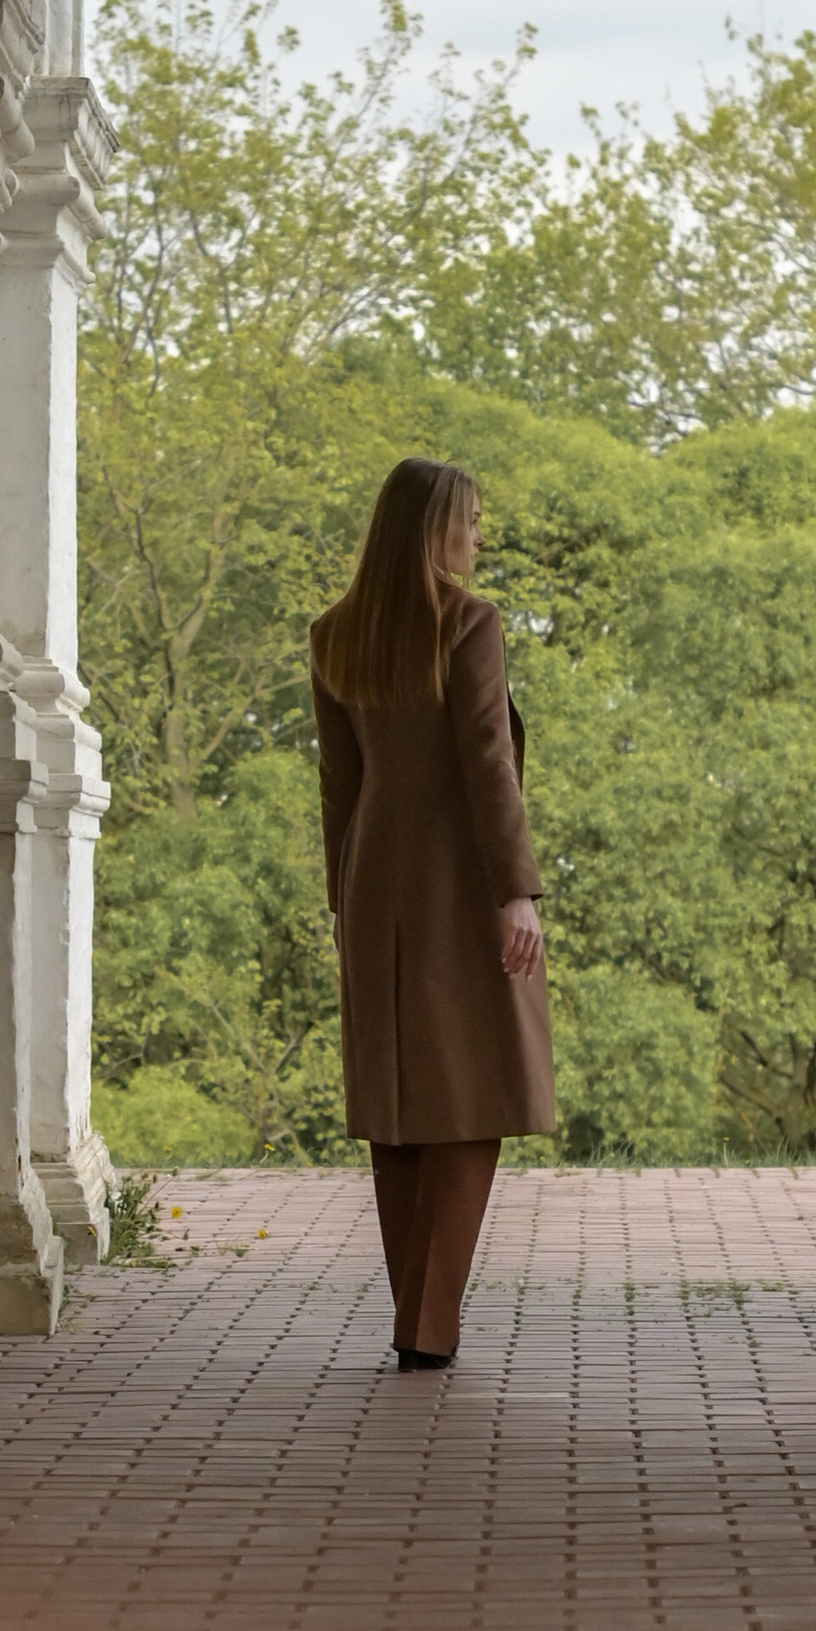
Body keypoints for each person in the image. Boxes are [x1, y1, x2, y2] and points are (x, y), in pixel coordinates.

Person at [310, 457, 555, 1370]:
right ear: (432, 526)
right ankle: (426, 1326)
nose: (480, 535)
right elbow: (487, 761)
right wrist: (516, 890)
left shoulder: (335, 633)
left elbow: (340, 786)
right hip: (459, 877)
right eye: (472, 518)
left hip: (373, 874)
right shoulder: (468, 622)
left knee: (402, 1102)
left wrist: (343, 901)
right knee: (478, 1090)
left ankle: (419, 1321)